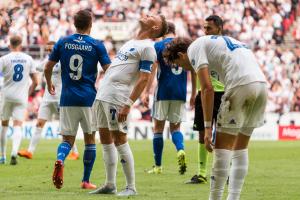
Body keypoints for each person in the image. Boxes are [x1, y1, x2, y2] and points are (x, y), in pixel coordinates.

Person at [163, 36, 267, 200]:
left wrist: (207, 128)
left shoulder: (194, 48)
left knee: (221, 149)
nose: (184, 68)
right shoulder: (216, 43)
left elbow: (207, 89)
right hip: (261, 84)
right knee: (240, 148)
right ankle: (233, 197)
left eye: (179, 65)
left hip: (241, 84)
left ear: (182, 55)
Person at [90, 14, 168, 196]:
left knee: (120, 139)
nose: (147, 15)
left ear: (155, 27)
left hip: (118, 97)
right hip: (103, 94)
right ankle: (110, 184)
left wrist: (128, 104)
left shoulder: (148, 48)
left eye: (152, 17)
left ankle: (131, 187)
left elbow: (144, 79)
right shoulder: (131, 42)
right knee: (105, 139)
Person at [44, 10, 111, 189]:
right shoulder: (96, 45)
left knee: (67, 139)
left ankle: (60, 159)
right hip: (89, 98)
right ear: (91, 24)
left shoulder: (63, 42)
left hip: (67, 97)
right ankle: (85, 181)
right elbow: (108, 70)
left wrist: (49, 82)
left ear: (74, 23)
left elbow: (48, 66)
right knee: (90, 139)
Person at [143, 22, 196, 175]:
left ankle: (158, 166)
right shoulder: (185, 46)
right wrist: (193, 94)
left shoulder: (158, 46)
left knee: (158, 129)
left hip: (163, 92)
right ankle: (180, 150)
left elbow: (152, 70)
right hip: (180, 93)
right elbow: (193, 69)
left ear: (163, 32)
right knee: (175, 128)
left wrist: (146, 91)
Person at [17, 41, 80, 160]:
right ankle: (30, 151)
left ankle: (75, 152)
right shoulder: (48, 60)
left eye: (51, 49)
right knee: (39, 123)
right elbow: (37, 67)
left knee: (65, 128)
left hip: (60, 97)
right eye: (47, 50)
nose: (49, 51)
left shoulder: (63, 61)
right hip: (47, 98)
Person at [186, 15, 225, 184]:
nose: (205, 31)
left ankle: (225, 172)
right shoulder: (201, 45)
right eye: (204, 28)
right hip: (204, 92)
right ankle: (202, 173)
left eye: (209, 28)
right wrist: (195, 92)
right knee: (202, 133)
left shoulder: (225, 46)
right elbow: (194, 69)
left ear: (219, 28)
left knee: (224, 134)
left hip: (222, 92)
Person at [0, 35, 38, 165]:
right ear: (21, 45)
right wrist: (28, 92)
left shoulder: (4, 59)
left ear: (10, 45)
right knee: (18, 125)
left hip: (6, 95)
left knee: (4, 125)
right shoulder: (28, 59)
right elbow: (36, 81)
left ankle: (3, 156)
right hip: (21, 96)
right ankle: (14, 153)